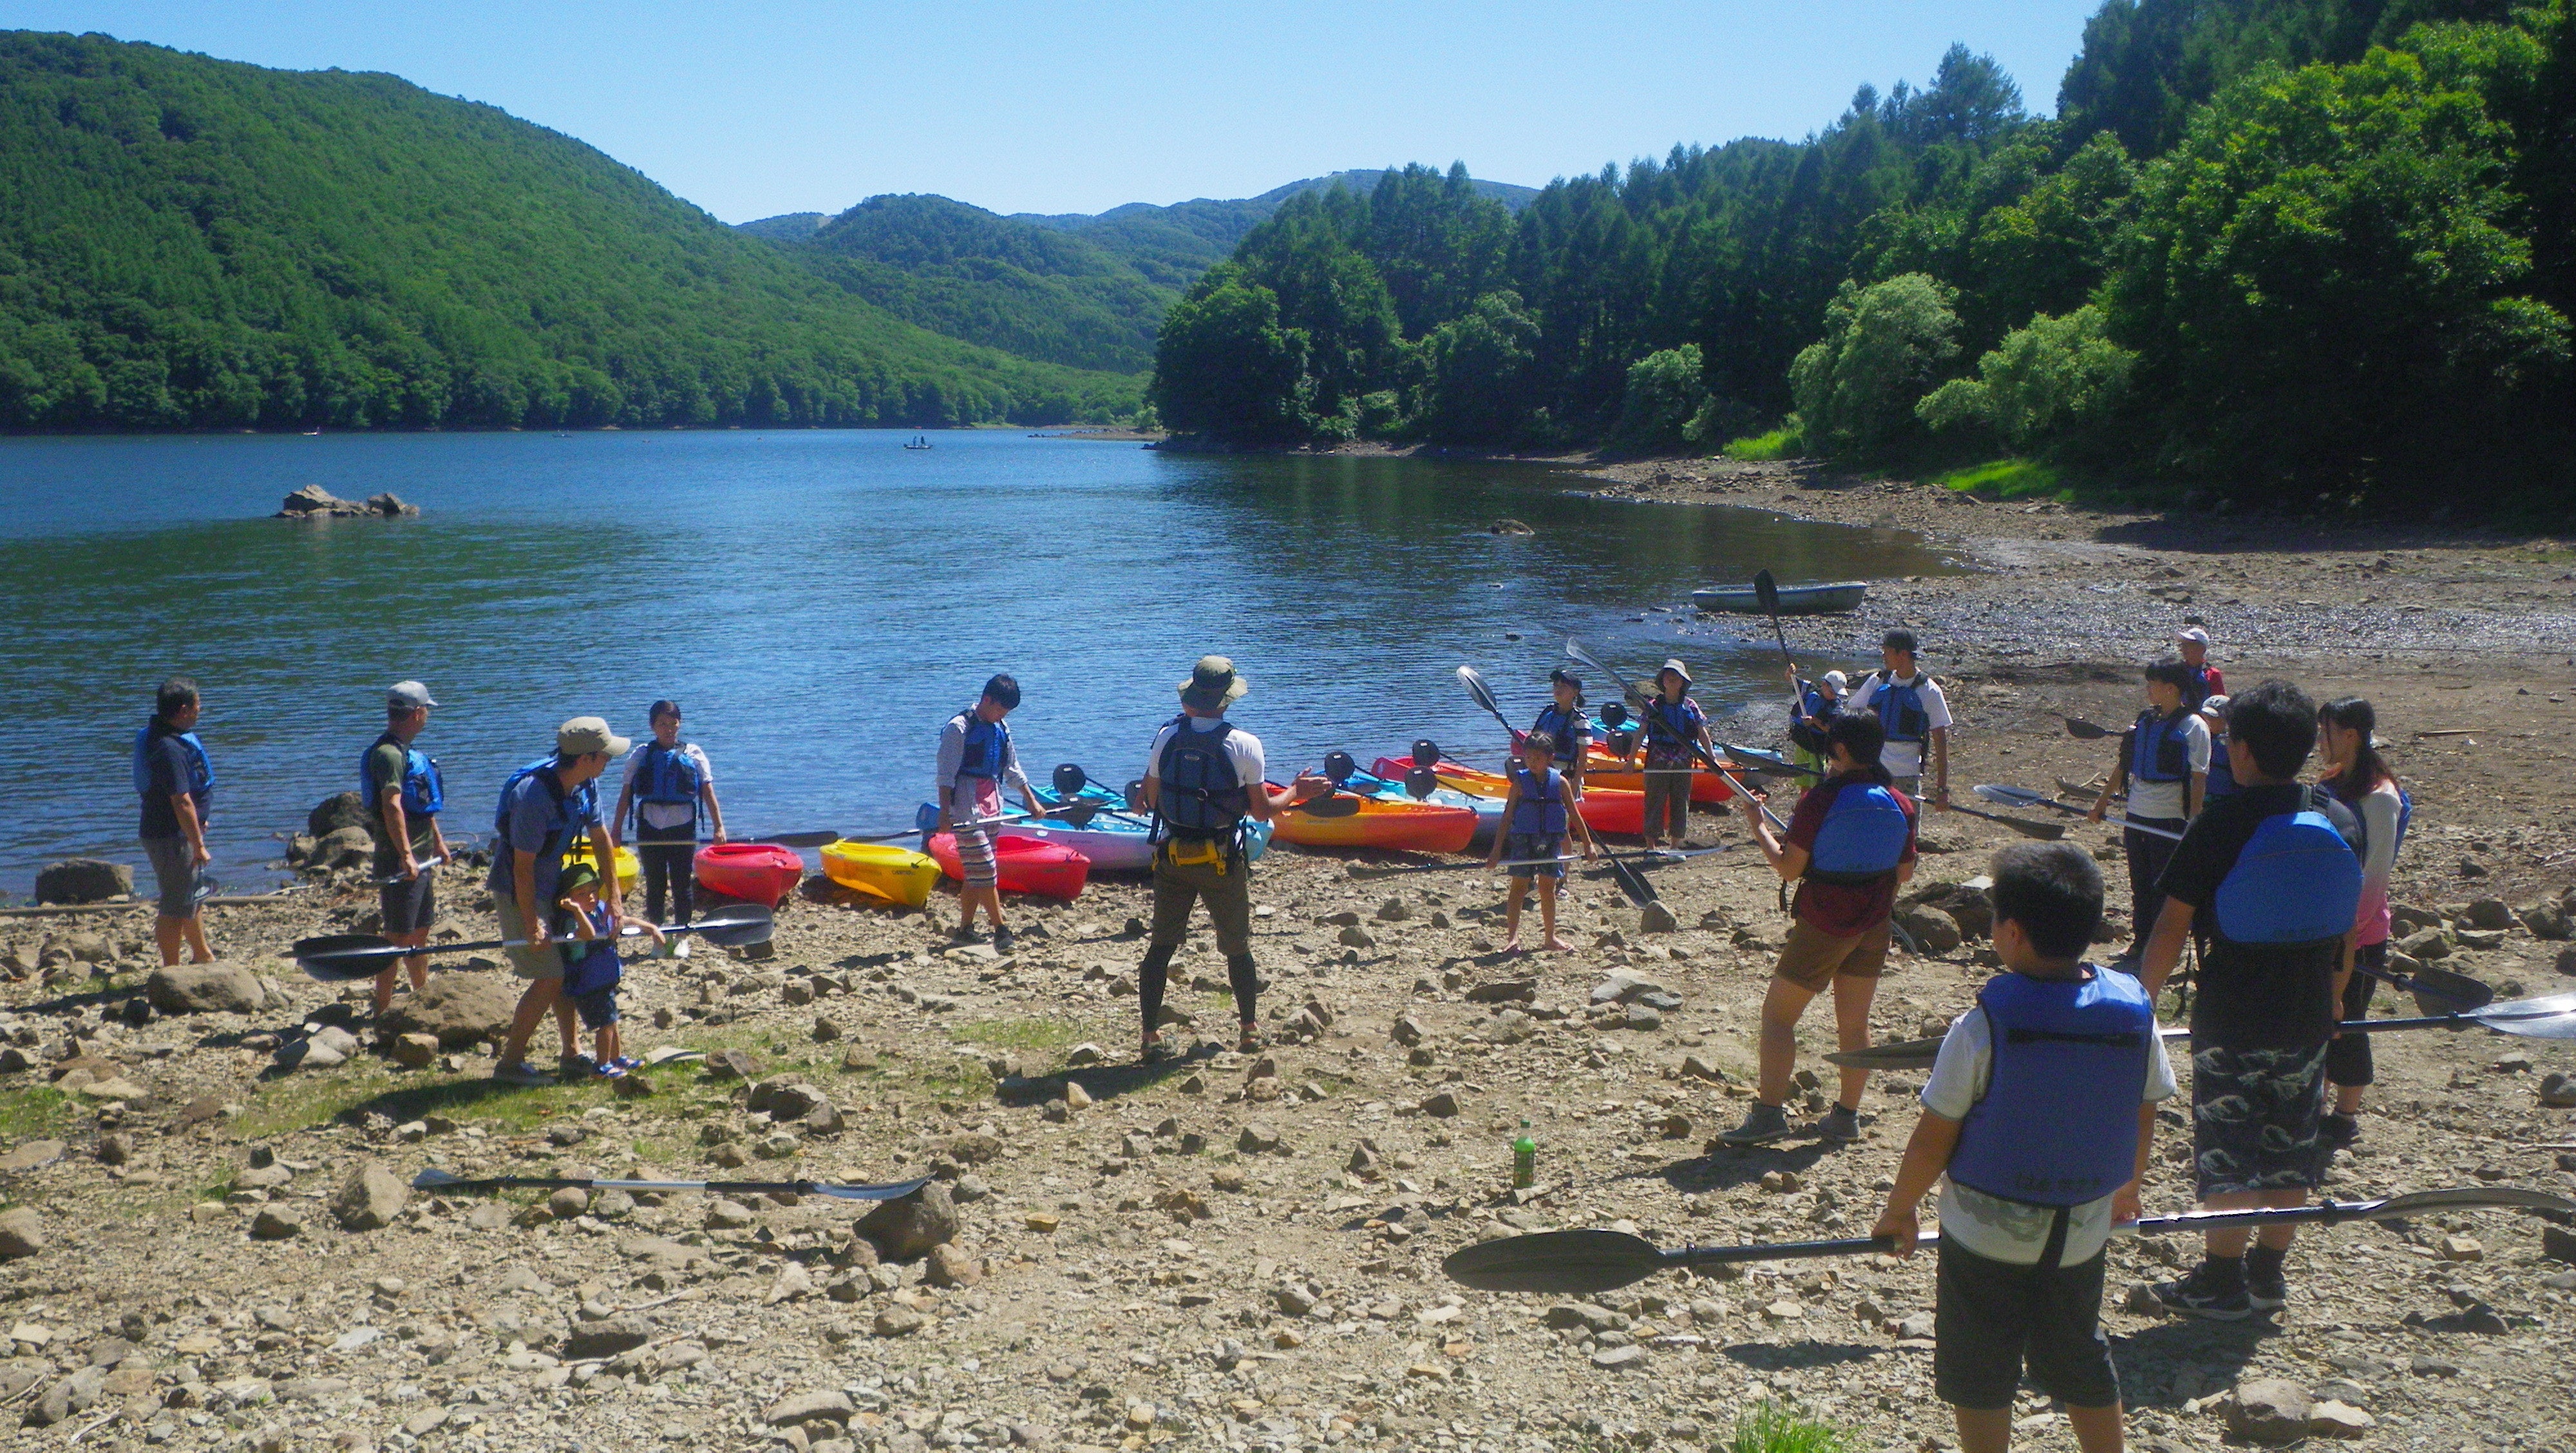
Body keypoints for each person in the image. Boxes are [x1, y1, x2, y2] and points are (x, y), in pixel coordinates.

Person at [1871, 841, 2172, 1453]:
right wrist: (2129, 1187)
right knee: (2079, 1351)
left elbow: (1936, 1134)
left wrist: (1900, 1209)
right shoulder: (2133, 1011)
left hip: (1986, 1234)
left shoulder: (1983, 1024)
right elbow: (2143, 1112)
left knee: (1981, 1370)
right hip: (2081, 1228)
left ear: (2010, 932)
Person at [2142, 681, 2361, 1320]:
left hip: (2233, 1015)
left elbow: (2168, 928)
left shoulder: (2222, 823)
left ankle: (2220, 1280)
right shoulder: (2339, 819)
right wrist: (2338, 999)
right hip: (2307, 1013)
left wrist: (2139, 1007)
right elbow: (2345, 919)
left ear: (2237, 750)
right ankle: (2268, 1274)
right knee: (2292, 1143)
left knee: (2228, 1150)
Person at [1719, 713, 1917, 1146]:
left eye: (1830, 749)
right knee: (1854, 1022)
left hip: (1828, 922)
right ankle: (1847, 1117)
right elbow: (1904, 873)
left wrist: (1758, 828)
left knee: (1778, 1017)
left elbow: (1789, 869)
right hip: (1876, 923)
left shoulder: (1820, 802)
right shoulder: (1900, 802)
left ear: (1842, 751)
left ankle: (1769, 1113)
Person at [1135, 656, 1327, 1059]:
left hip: (1172, 856)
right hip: (1221, 858)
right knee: (1237, 946)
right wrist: (1297, 792)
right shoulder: (1244, 744)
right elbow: (1262, 812)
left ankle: (1150, 1036)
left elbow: (1146, 801)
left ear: (1191, 697)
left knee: (1161, 947)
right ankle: (1249, 1031)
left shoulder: (1166, 736)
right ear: (1226, 700)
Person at [489, 717, 631, 1086]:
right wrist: (533, 919)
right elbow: (522, 868)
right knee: (549, 975)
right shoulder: (533, 797)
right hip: (518, 889)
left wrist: (613, 897)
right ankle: (510, 1064)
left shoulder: (587, 785)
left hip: (555, 888)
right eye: (605, 757)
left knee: (565, 971)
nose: (608, 763)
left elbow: (601, 840)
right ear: (586, 757)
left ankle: (571, 1054)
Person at [2316, 698, 2408, 1152]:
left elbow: (2376, 873)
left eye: (2326, 732)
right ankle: (2319, 1102)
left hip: (2360, 933)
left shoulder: (2380, 797)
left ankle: (2345, 1117)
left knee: (2348, 1019)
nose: (2320, 742)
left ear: (2349, 735)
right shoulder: (2338, 783)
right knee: (2322, 1017)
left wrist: (2346, 929)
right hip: (2328, 922)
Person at [2088, 659, 2210, 962]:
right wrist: (2101, 802)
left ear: (2170, 689)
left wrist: (2194, 823)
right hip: (2137, 815)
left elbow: (2199, 778)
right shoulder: (2145, 721)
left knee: (2162, 887)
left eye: (2152, 684)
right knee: (2139, 883)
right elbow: (2124, 765)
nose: (2148, 690)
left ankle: (2163, 947)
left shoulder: (2194, 726)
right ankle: (2140, 942)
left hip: (2169, 820)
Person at [936, 675, 1050, 953]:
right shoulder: (958, 728)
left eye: (1006, 712)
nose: (1003, 715)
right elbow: (945, 775)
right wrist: (944, 814)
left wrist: (1031, 801)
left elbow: (1012, 769)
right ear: (987, 700)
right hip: (964, 806)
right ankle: (1001, 930)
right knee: (985, 869)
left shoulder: (1001, 727)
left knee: (976, 873)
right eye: (1000, 709)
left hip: (991, 804)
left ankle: (964, 931)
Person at [364, 681, 451, 1015]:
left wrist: (439, 844)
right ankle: (383, 1009)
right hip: (400, 862)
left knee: (420, 932)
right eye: (426, 710)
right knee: (396, 939)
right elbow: (392, 806)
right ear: (417, 713)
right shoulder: (387, 754)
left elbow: (422, 807)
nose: (427, 716)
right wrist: (406, 857)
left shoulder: (407, 753)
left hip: (422, 858)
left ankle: (421, 998)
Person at [612, 701, 723, 954]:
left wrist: (719, 828)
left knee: (682, 883)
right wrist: (616, 830)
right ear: (653, 726)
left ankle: (682, 934)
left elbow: (708, 791)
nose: (668, 729)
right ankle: (658, 936)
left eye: (673, 724)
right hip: (649, 827)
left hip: (682, 827)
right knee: (655, 883)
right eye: (662, 724)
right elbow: (626, 794)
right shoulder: (641, 755)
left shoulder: (694, 754)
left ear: (679, 724)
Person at [1484, 732, 1597, 953]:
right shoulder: (1519, 783)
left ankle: (1550, 938)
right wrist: (1496, 850)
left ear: (1550, 758)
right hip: (1524, 841)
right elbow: (1507, 818)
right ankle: (1512, 938)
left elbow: (1574, 815)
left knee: (1548, 889)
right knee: (1519, 888)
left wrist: (1588, 844)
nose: (1533, 762)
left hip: (1549, 841)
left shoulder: (1561, 783)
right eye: (1528, 758)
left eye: (1537, 758)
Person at [135, 676, 214, 966]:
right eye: (197, 705)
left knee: (191, 897)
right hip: (169, 836)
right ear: (183, 710)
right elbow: (181, 801)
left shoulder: (166, 738)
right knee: (175, 904)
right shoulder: (169, 749)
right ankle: (170, 970)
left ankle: (203, 956)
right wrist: (198, 844)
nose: (200, 710)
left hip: (178, 833)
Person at [555, 859, 660, 1078]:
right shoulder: (572, 920)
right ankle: (601, 1065)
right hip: (588, 983)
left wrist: (650, 927)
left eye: (593, 891)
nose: (591, 897)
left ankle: (616, 1057)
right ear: (568, 898)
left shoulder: (599, 908)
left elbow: (621, 920)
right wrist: (575, 911)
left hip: (606, 979)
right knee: (605, 1024)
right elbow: (588, 934)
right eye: (582, 894)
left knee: (612, 1021)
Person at [1844, 630, 1952, 808]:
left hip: (1907, 777)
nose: (1883, 656)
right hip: (1874, 772)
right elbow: (1850, 718)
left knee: (1906, 832)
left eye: (1886, 651)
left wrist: (1942, 790)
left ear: (1902, 655)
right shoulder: (1877, 681)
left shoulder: (1929, 691)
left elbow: (1940, 742)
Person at [1636, 658, 1713, 851]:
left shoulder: (1690, 705)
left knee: (1681, 800)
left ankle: (1676, 845)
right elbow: (1641, 732)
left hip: (1683, 759)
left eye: (1675, 676)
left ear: (1682, 682)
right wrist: (1631, 760)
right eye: (1667, 676)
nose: (1671, 679)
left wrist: (1711, 758)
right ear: (1662, 681)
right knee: (1654, 800)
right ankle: (1651, 847)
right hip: (1657, 759)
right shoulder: (1653, 706)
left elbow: (1702, 733)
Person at [1526, 669, 1591, 796]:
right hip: (1540, 777)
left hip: (1566, 779)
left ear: (1575, 692)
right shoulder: (1547, 712)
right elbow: (1532, 741)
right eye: (1556, 685)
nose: (1558, 689)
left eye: (1564, 686)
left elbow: (1582, 761)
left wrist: (1571, 793)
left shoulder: (1580, 720)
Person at [1786, 667, 1846, 779]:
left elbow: (1830, 729)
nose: (1834, 695)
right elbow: (1791, 679)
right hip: (1802, 742)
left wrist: (1814, 721)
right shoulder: (1810, 689)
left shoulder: (1836, 706)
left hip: (1817, 747)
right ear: (1824, 685)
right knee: (1801, 777)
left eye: (1836, 693)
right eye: (1832, 692)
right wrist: (1790, 672)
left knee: (1816, 778)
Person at [2199, 695, 2239, 802]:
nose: (2208, 721)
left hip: (2226, 801)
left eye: (2213, 718)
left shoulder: (2234, 744)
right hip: (2203, 799)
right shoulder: (2200, 738)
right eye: (2206, 716)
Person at [2176, 627, 2225, 709]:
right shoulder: (2177, 671)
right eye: (2183, 644)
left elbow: (2220, 704)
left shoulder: (2213, 674)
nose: (2184, 648)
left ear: (2202, 648)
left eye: (2189, 645)